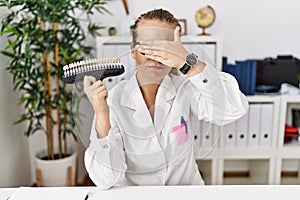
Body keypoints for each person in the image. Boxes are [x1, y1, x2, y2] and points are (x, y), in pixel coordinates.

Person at [83, 8, 248, 190]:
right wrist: (101, 114)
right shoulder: (113, 100)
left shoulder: (187, 88)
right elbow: (106, 179)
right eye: (147, 47)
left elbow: (231, 109)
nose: (155, 56)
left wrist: (188, 62)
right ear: (132, 50)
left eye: (165, 48)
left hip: (186, 191)